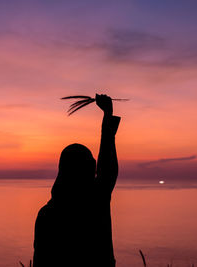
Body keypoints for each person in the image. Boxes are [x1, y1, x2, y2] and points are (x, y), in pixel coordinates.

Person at [33, 94, 121, 267]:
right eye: (91, 163)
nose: (95, 167)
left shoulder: (46, 214)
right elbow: (108, 168)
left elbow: (40, 260)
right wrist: (107, 116)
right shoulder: (96, 200)